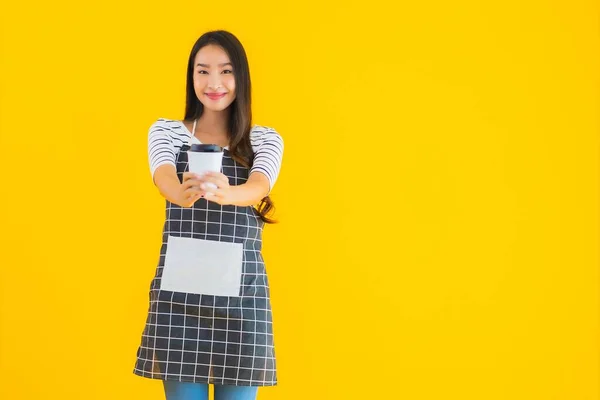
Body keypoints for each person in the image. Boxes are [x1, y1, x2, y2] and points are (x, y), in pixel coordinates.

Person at [133, 30, 284, 400]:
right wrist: (180, 192)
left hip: (242, 299)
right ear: (192, 77)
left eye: (225, 71)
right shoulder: (167, 132)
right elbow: (163, 175)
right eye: (203, 71)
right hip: (179, 298)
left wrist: (226, 192)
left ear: (241, 78)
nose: (214, 83)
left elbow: (260, 185)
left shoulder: (264, 139)